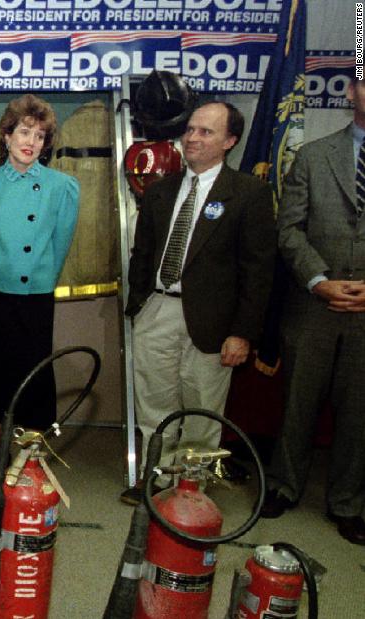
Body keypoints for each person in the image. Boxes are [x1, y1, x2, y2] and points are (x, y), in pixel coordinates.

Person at [122, 101, 276, 504]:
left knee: (202, 410)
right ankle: (155, 479)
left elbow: (258, 272)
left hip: (213, 323)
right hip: (157, 310)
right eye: (190, 129)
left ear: (230, 141)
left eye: (206, 132)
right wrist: (138, 305)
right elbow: (142, 256)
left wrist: (242, 333)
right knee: (154, 405)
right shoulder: (160, 190)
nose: (192, 137)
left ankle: (190, 488)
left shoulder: (249, 194)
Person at [260, 76, 365, 545]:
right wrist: (321, 282)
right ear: (351, 92)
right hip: (313, 306)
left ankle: (348, 503)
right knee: (298, 405)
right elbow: (289, 230)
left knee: (360, 413)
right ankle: (283, 485)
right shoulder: (314, 155)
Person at [0, 95, 79, 480]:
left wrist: (36, 280)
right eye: (24, 132)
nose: (31, 142)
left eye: (40, 136)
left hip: (34, 297)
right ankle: (2, 455)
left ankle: (29, 458)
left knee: (32, 383)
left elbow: (59, 248)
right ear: (6, 135)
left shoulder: (63, 187)